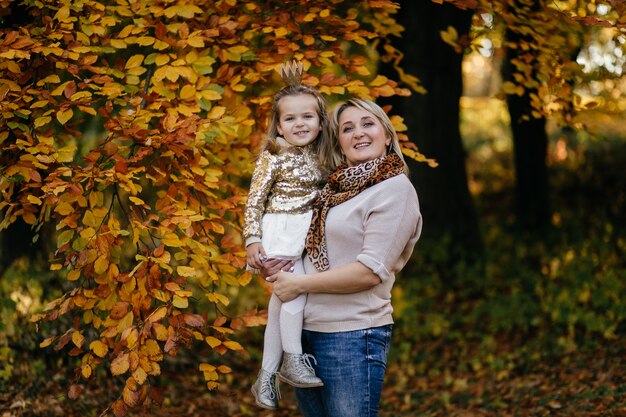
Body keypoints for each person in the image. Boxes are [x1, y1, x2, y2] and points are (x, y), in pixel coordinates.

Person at [266, 98, 423, 417]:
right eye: (347, 128)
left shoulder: (394, 189)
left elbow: (370, 272)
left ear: (387, 135)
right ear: (339, 140)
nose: (358, 133)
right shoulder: (332, 190)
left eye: (368, 124)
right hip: (304, 334)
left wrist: (299, 285)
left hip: (351, 336)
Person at [243, 61, 332, 410]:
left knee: (281, 303)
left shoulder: (324, 155)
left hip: (305, 235)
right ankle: (292, 359)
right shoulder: (274, 154)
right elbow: (255, 198)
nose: (300, 124)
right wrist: (252, 239)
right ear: (278, 126)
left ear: (321, 121)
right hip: (281, 229)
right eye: (291, 119)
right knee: (294, 297)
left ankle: (265, 378)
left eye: (307, 117)